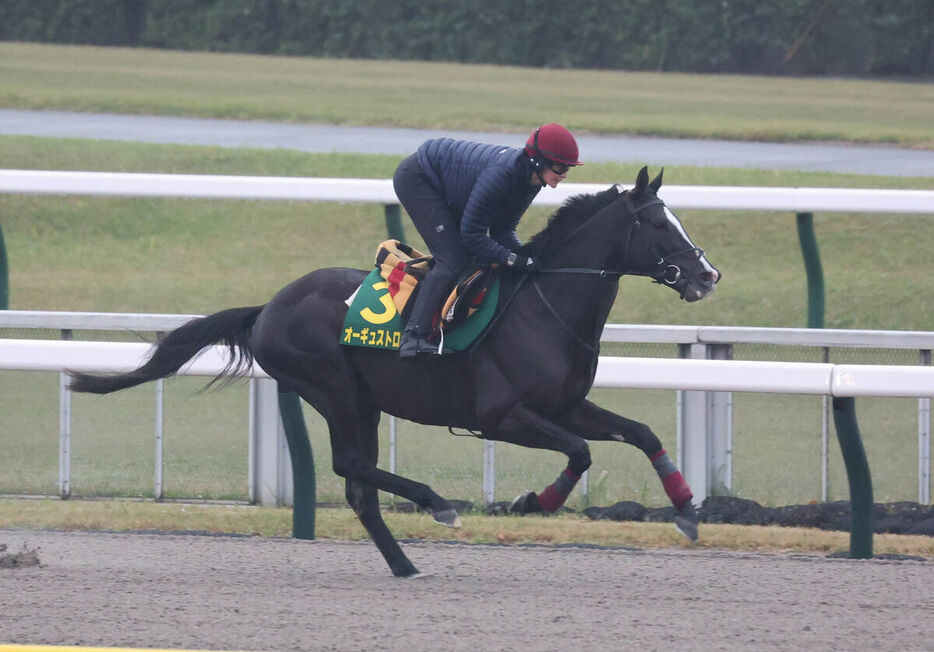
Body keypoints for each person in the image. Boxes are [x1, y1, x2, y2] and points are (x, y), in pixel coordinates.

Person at [392, 123, 582, 358]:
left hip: (448, 183)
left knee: (474, 259)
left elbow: (503, 231)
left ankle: (449, 327)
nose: (563, 174)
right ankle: (414, 337)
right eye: (559, 166)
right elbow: (473, 236)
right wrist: (514, 260)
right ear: (537, 161)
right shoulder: (501, 176)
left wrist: (527, 256)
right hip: (419, 177)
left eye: (568, 168)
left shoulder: (532, 181)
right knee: (452, 259)